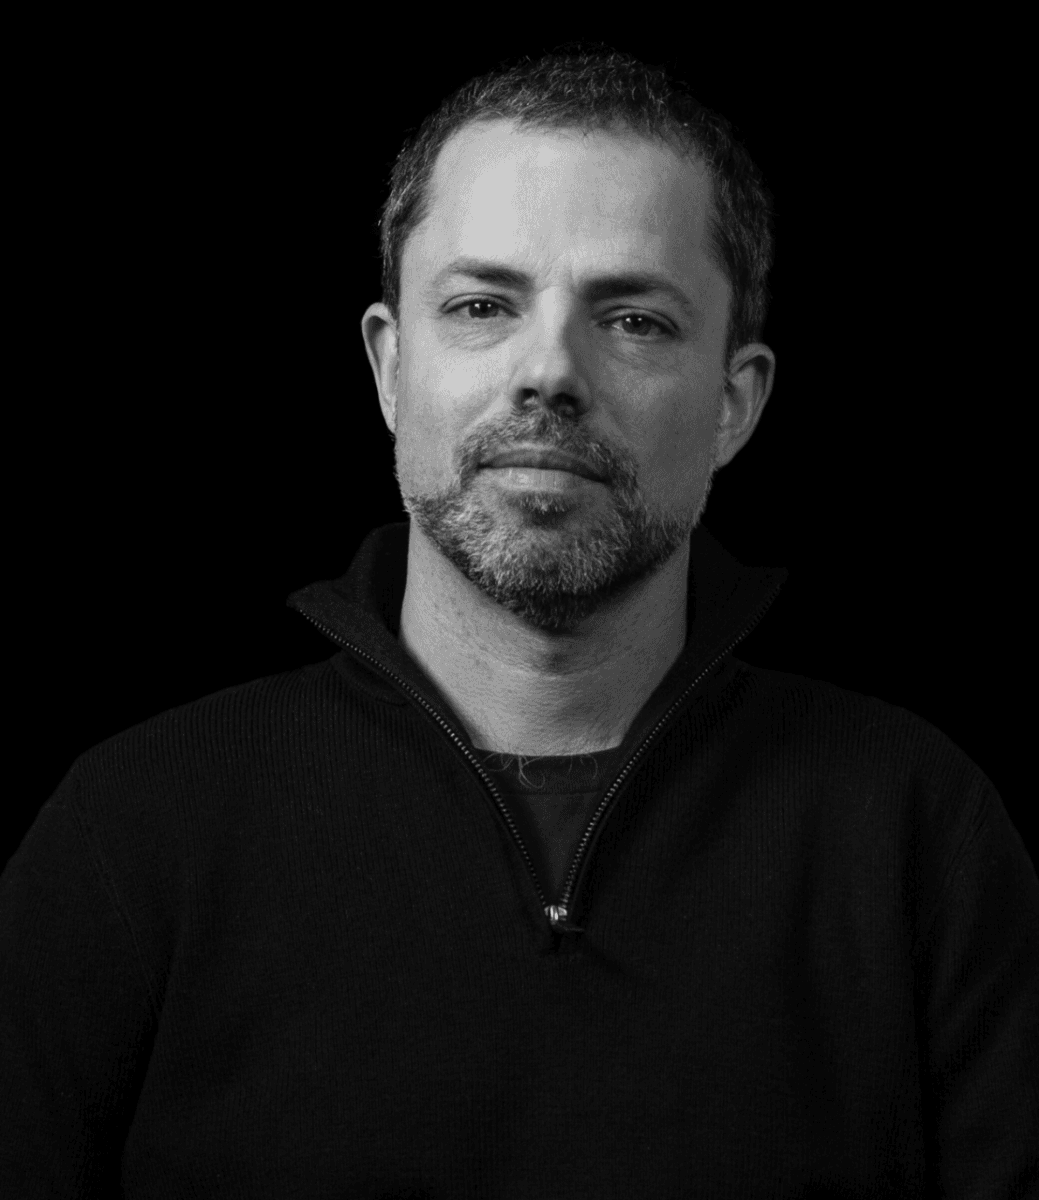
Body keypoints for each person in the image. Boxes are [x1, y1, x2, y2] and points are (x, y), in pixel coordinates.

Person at [2, 47, 1037, 1198]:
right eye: (482, 306)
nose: (549, 372)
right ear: (391, 367)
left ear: (734, 403)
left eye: (634, 319)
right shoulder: (132, 831)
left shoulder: (917, 834)